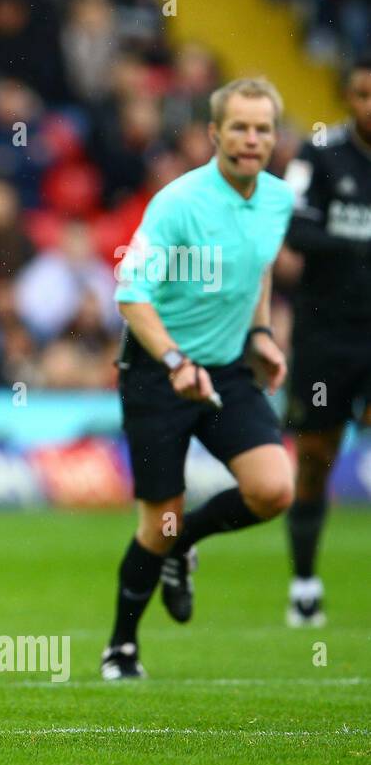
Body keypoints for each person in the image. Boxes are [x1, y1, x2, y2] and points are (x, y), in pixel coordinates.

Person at [102, 77, 295, 680]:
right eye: (239, 127)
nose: (251, 139)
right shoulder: (179, 203)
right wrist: (175, 362)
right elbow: (130, 294)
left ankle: (185, 545)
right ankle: (121, 647)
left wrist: (260, 334)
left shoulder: (278, 200)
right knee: (156, 522)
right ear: (215, 134)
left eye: (262, 129)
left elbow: (256, 269)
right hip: (158, 374)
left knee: (273, 490)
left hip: (229, 368)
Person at [280, 55, 371, 627]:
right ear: (347, 98)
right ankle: (305, 583)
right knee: (314, 458)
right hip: (325, 334)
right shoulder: (317, 155)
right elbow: (293, 228)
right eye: (363, 94)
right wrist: (356, 244)